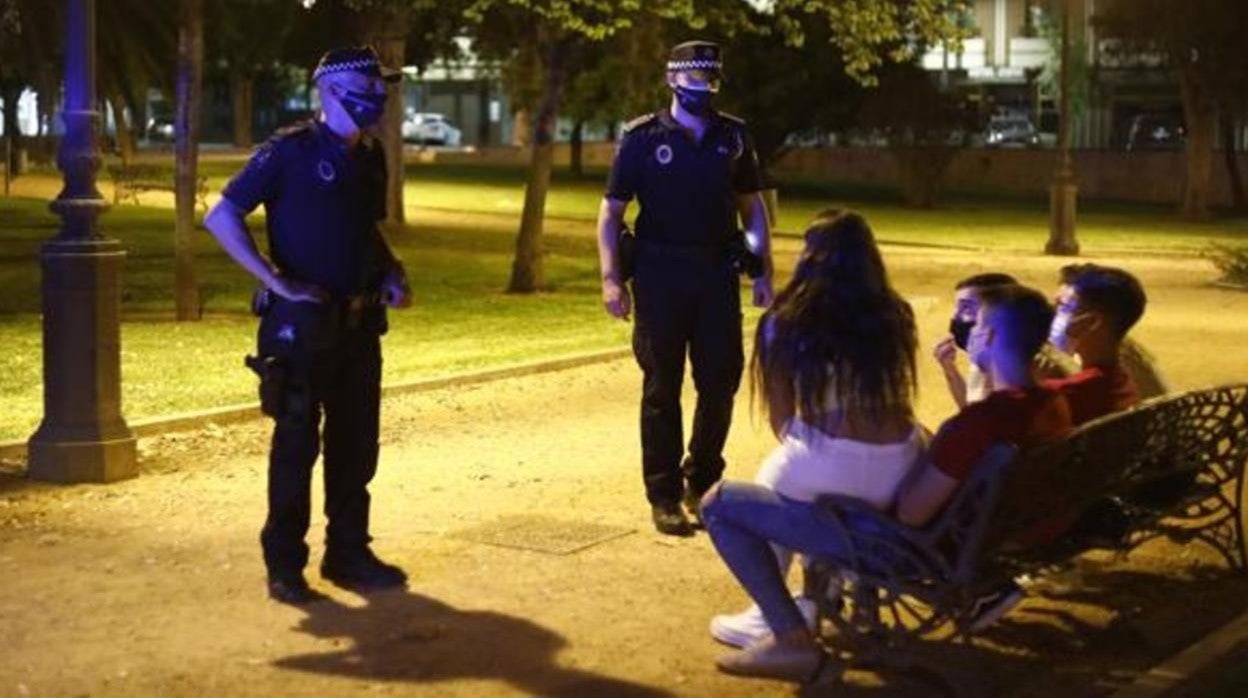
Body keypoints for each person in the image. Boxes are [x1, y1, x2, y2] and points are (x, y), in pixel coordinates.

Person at [701, 283, 1071, 682]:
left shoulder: (977, 425)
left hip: (910, 551)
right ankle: (822, 605)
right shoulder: (1050, 402)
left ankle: (791, 638)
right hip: (990, 538)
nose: (970, 330)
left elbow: (911, 512)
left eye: (977, 322)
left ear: (991, 336)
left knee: (722, 502)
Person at [203, 46, 412, 605]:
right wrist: (275, 281)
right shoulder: (288, 152)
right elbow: (221, 215)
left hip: (359, 325)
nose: (381, 97)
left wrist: (390, 269)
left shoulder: (371, 157)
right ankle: (284, 565)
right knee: (296, 445)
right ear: (334, 90)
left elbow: (364, 227)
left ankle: (348, 554)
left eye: (383, 87)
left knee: (356, 446)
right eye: (371, 85)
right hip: (300, 327)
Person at [707, 210, 926, 650]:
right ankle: (832, 585)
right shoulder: (895, 314)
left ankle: (769, 617)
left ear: (811, 256)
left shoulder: (788, 321)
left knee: (775, 481)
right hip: (901, 461)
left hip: (830, 462)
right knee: (795, 477)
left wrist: (815, 445)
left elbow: (783, 421)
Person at [596, 40, 775, 536]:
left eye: (710, 81)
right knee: (662, 389)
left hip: (716, 275)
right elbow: (611, 213)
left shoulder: (733, 137)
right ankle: (664, 494)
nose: (703, 90)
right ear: (673, 79)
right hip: (658, 276)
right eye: (695, 81)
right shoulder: (640, 137)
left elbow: (752, 207)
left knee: (720, 384)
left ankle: (703, 480)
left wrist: (762, 269)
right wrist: (612, 279)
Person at [934, 272, 1075, 408]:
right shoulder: (990, 355)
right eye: (957, 307)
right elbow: (972, 410)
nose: (956, 316)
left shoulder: (1040, 368)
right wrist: (951, 371)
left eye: (967, 308)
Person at [1045, 263, 1149, 424]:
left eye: (1062, 307)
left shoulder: (1065, 393)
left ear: (1092, 322)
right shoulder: (1122, 383)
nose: (1049, 315)